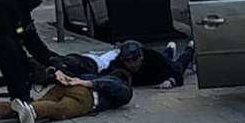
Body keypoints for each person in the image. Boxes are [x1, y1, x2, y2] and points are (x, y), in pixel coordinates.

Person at [0, 69, 133, 123]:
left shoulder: (96, 73)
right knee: (59, 110)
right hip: (87, 97)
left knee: (37, 105)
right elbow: (118, 88)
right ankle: (32, 112)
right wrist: (88, 83)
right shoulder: (120, 84)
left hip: (65, 86)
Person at [50, 40, 194, 89]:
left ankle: (189, 49)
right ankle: (169, 49)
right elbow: (104, 75)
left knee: (178, 65)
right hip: (149, 75)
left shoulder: (153, 59)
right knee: (166, 58)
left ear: (141, 57)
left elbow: (175, 73)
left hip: (159, 72)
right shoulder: (118, 64)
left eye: (134, 60)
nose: (131, 65)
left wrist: (171, 80)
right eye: (128, 61)